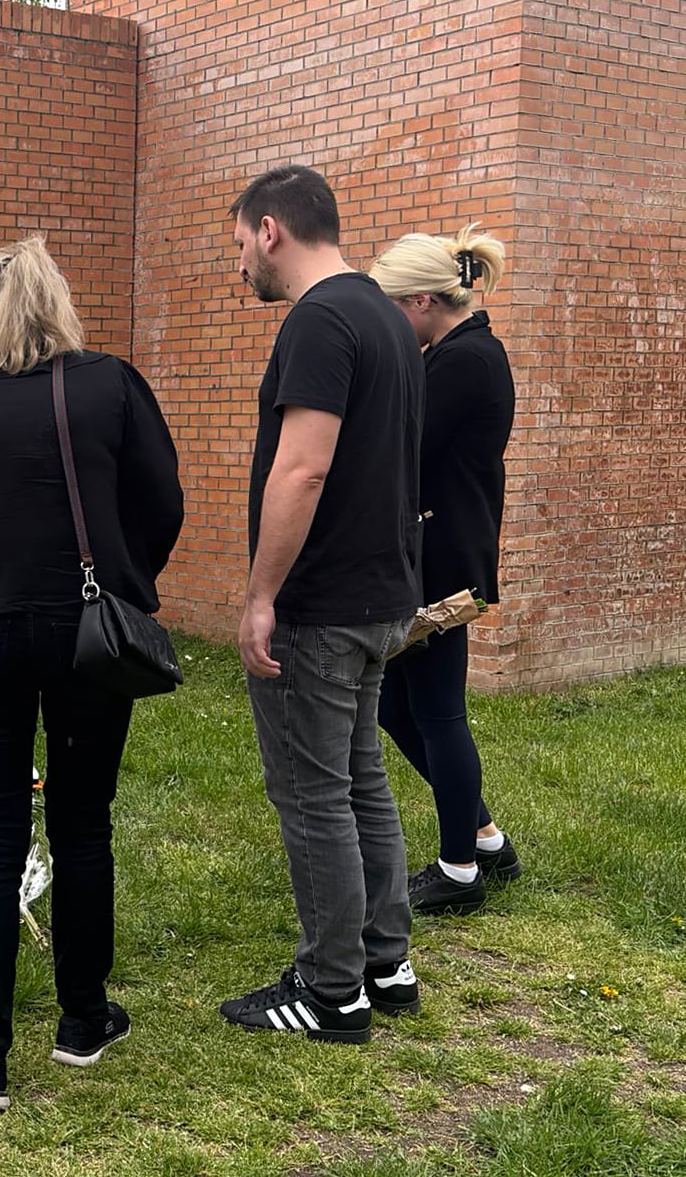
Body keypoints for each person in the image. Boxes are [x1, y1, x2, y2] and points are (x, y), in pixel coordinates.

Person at [0, 234, 182, 1111]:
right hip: (88, 635)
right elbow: (161, 502)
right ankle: (82, 1017)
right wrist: (128, 583)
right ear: (58, 306)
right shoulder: (112, 387)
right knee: (82, 822)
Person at [222, 166, 425, 1044]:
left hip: (323, 605)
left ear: (271, 230)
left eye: (238, 245)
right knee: (359, 783)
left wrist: (261, 594)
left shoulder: (318, 321)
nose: (239, 267)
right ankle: (386, 961)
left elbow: (301, 468)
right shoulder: (385, 312)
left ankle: (331, 989)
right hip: (383, 596)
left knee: (311, 794)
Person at [368, 226, 520, 914]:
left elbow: (404, 446)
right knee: (393, 704)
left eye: (394, 308)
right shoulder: (457, 351)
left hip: (442, 560)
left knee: (435, 711)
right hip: (437, 551)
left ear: (424, 299)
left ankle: (458, 869)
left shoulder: (464, 361)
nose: (393, 325)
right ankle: (483, 836)